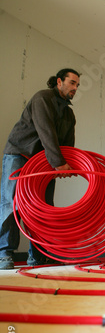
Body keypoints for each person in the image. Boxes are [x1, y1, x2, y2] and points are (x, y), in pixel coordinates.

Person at [0, 68, 80, 270]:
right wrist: (58, 162)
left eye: (77, 85)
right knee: (12, 203)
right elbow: (46, 132)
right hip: (20, 154)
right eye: (72, 83)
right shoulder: (43, 98)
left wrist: (71, 165)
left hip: (43, 161)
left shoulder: (69, 114)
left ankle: (38, 256)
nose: (75, 88)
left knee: (43, 207)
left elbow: (67, 146)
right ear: (59, 82)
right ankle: (4, 254)